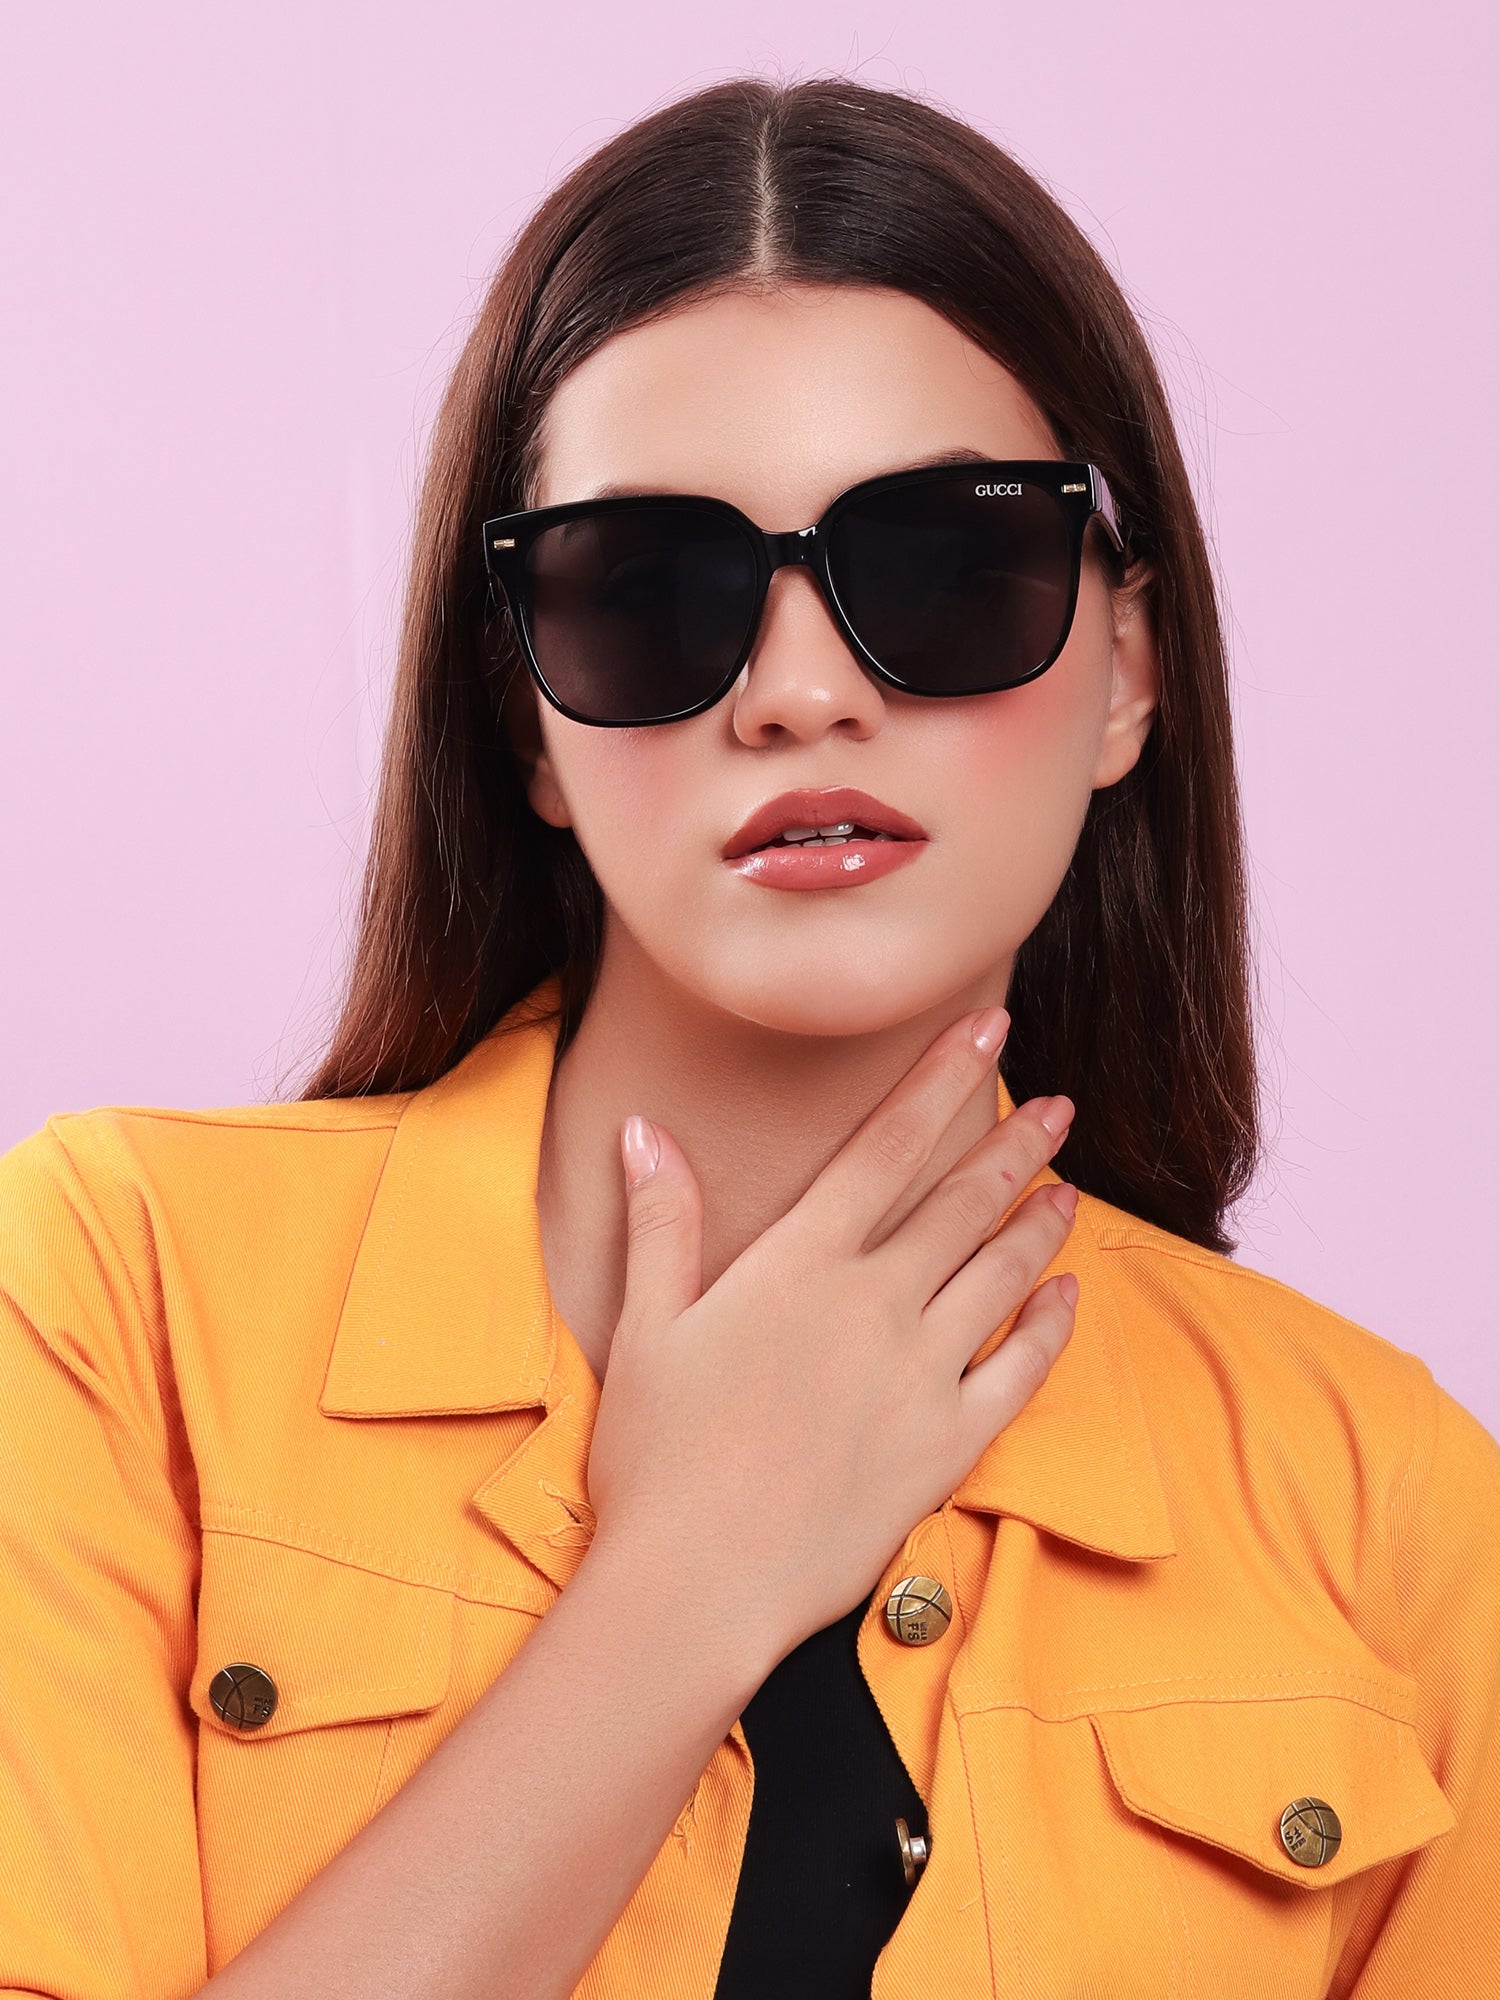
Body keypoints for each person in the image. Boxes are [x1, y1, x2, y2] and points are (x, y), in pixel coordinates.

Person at [1, 72, 1495, 2000]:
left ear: (1128, 671)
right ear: (528, 723)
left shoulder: (1378, 1500)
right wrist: (688, 1585)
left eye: (950, 565)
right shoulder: (117, 1299)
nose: (800, 694)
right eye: (648, 589)